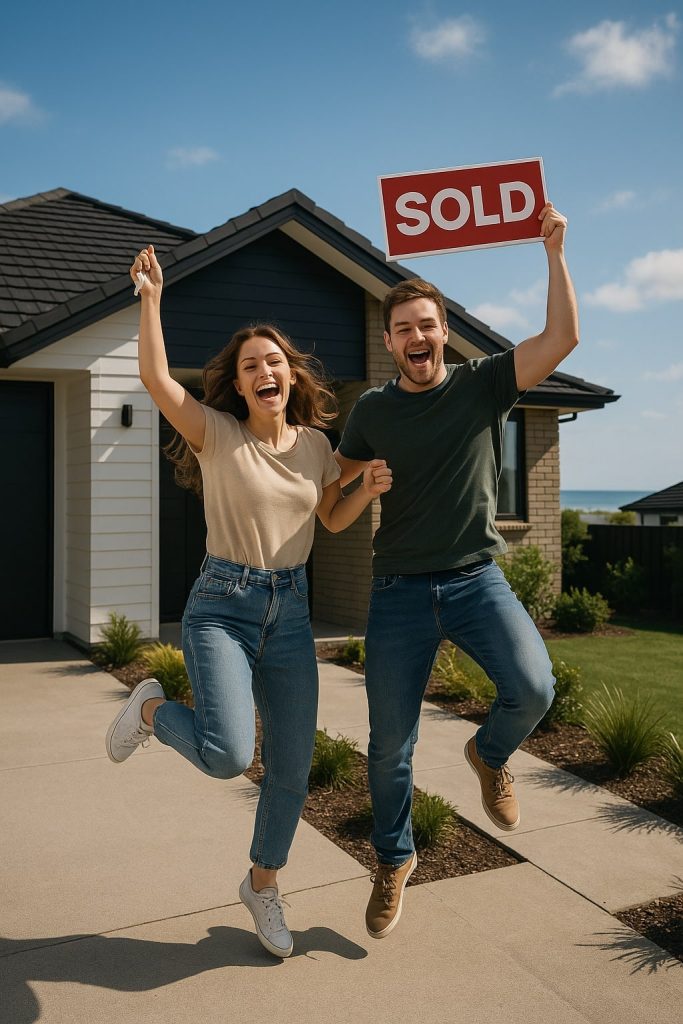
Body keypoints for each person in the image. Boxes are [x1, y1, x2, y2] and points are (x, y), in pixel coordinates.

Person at [105, 245, 391, 959]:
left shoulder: (320, 446)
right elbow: (151, 377)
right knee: (230, 754)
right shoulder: (217, 434)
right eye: (250, 365)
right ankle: (148, 709)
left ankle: (262, 885)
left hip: (290, 612)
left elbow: (327, 520)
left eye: (275, 362)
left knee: (291, 767)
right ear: (237, 383)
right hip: (222, 606)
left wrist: (363, 490)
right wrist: (149, 300)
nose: (265, 372)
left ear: (291, 375)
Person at [335, 203, 579, 939]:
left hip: (477, 579)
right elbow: (330, 498)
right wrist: (358, 487)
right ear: (388, 341)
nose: (417, 336)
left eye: (427, 324)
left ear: (444, 331)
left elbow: (562, 337)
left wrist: (553, 251)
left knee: (533, 686)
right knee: (388, 746)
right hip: (397, 592)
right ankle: (393, 859)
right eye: (403, 327)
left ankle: (489, 752)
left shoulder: (483, 384)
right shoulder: (371, 411)